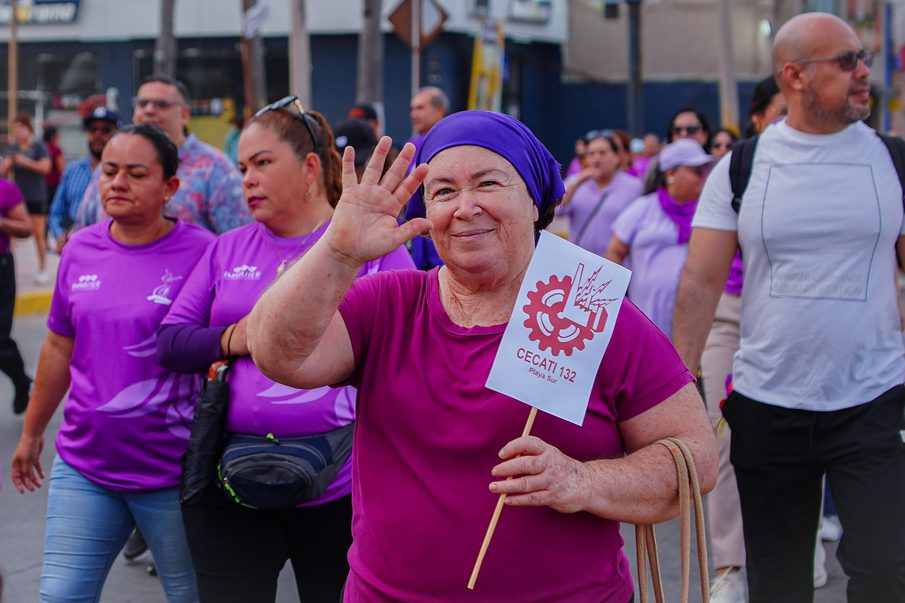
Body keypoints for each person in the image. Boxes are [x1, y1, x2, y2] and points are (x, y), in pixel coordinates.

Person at [245, 110, 718, 602]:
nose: (466, 207)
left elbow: (696, 460)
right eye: (444, 191)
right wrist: (338, 252)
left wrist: (583, 480)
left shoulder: (589, 313)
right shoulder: (387, 303)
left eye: (488, 183)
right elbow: (277, 354)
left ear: (534, 200)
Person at [673, 13, 905, 603]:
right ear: (794, 75)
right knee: (778, 583)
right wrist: (680, 389)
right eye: (847, 61)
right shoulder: (742, 166)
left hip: (873, 400)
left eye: (863, 59)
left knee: (887, 565)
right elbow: (700, 282)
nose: (863, 74)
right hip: (769, 403)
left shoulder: (892, 160)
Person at [157, 96, 414, 602]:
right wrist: (249, 336)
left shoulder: (371, 247)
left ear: (310, 168)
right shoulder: (227, 248)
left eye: (263, 163)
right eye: (242, 167)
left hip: (344, 484)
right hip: (231, 481)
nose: (246, 179)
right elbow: (172, 343)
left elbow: (410, 349)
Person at [10, 123, 214, 602]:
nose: (117, 182)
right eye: (109, 170)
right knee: (61, 597)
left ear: (169, 187)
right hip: (85, 467)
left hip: (174, 474)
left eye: (135, 173)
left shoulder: (204, 252)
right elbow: (60, 346)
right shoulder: (81, 249)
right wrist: (32, 432)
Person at [700, 77, 786, 603]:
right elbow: (701, 272)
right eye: (780, 112)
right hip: (732, 313)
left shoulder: (835, 172)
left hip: (796, 317)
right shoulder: (736, 170)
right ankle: (731, 564)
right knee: (726, 435)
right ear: (757, 118)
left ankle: (795, 541)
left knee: (805, 429)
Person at [74, 73, 251, 235]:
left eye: (161, 104)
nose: (149, 110)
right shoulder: (113, 164)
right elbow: (84, 228)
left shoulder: (214, 168)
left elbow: (239, 242)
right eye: (142, 104)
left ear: (184, 114)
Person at [605, 139, 710, 339]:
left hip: (697, 323)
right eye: (696, 171)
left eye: (705, 170)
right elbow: (615, 251)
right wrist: (616, 302)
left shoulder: (709, 212)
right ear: (670, 174)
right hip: (647, 323)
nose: (703, 177)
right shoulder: (643, 208)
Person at [558, 131, 641, 257]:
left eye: (602, 153)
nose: (596, 158)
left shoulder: (634, 187)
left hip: (616, 264)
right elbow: (557, 211)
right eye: (591, 154)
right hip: (580, 263)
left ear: (617, 156)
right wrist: (578, 181)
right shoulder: (574, 182)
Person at [48, 107, 121, 249]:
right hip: (78, 248)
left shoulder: (124, 173)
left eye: (105, 130)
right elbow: (56, 211)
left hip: (113, 249)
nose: (98, 135)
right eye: (93, 129)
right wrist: (60, 236)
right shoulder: (73, 170)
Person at [1, 113, 51, 284]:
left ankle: (43, 268)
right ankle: (10, 268)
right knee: (12, 235)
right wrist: (8, 163)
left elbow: (46, 168)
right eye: (14, 129)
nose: (17, 132)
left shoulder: (38, 146)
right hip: (17, 200)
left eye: (20, 128)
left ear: (27, 128)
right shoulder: (12, 148)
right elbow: (3, 172)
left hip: (36, 195)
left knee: (38, 234)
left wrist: (24, 161)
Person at [405, 86, 449, 270]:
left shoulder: (451, 141)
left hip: (444, 227)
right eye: (412, 108)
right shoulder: (413, 145)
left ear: (439, 110)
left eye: (420, 108)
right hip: (419, 237)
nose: (414, 114)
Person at [0, 177, 34, 414]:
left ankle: (21, 381)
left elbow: (26, 228)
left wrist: (2, 222)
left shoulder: (6, 189)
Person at [43, 126, 64, 211]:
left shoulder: (42, 148)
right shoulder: (56, 150)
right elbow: (61, 168)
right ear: (53, 136)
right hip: (54, 184)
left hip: (42, 184)